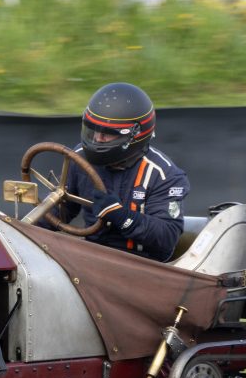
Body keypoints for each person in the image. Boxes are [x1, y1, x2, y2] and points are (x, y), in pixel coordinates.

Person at [46, 82, 190, 263]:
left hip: (144, 265)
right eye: (93, 130)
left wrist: (121, 216)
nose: (97, 138)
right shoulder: (79, 158)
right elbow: (59, 211)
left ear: (134, 135)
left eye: (106, 133)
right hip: (92, 258)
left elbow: (167, 237)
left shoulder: (165, 176)